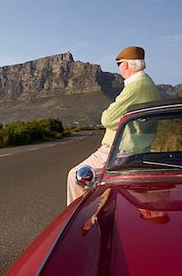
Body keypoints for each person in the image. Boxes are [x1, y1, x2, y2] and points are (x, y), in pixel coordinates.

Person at [67, 46, 161, 206]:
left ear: (125, 65)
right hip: (139, 148)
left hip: (120, 150)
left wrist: (110, 112)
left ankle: (79, 222)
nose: (119, 68)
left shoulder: (136, 85)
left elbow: (107, 118)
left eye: (119, 64)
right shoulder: (148, 83)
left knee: (75, 176)